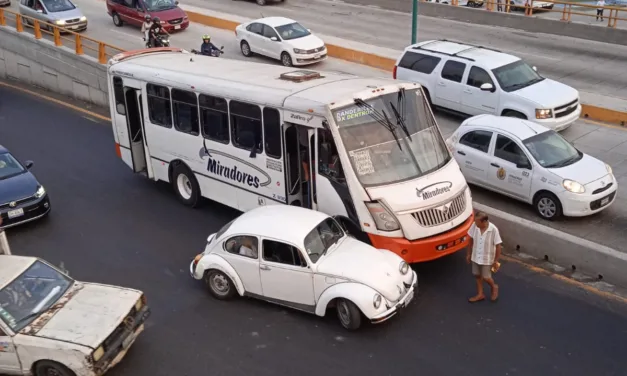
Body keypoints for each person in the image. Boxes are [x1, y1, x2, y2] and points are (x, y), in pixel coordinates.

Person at [466, 210, 502, 303]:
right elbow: (470, 239)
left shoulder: (493, 229)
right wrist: (469, 253)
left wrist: (495, 261)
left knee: (486, 277)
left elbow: (498, 246)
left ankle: (494, 287)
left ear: (484, 222)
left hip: (487, 259)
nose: (475, 223)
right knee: (477, 275)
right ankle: (480, 294)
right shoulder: (475, 226)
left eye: (477, 222)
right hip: (475, 257)